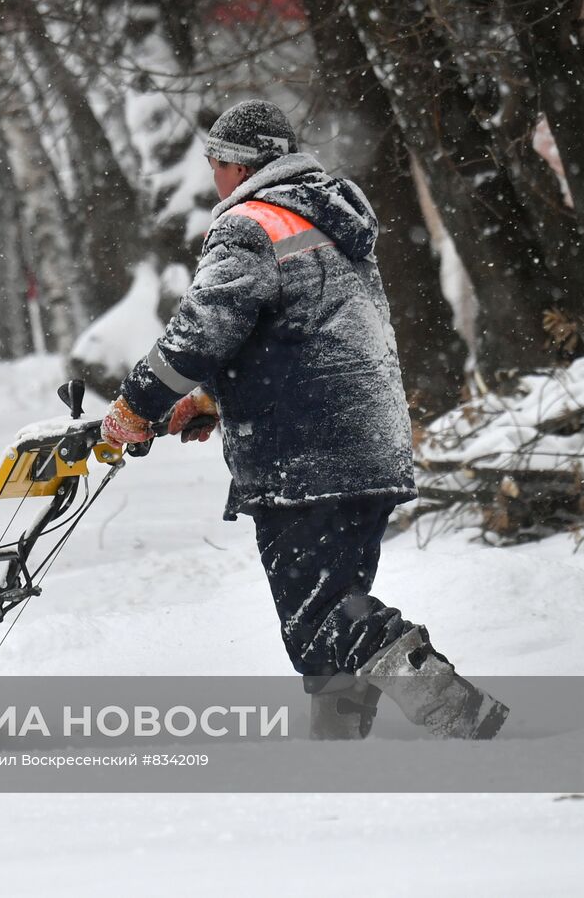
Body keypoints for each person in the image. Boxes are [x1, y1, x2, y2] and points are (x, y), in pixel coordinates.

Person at [101, 100, 508, 740]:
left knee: (318, 613)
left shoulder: (248, 224)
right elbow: (309, 330)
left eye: (215, 165)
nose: (214, 180)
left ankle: (457, 711)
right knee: (333, 601)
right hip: (367, 439)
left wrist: (136, 405)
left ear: (236, 165)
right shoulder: (330, 216)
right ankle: (338, 744)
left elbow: (201, 331)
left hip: (305, 454)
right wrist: (214, 398)